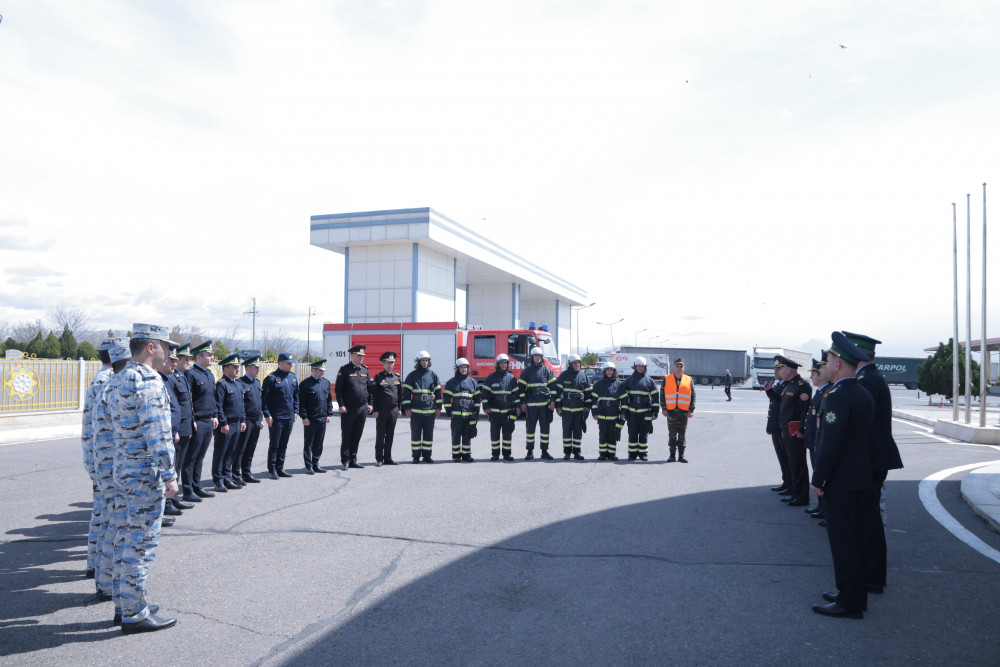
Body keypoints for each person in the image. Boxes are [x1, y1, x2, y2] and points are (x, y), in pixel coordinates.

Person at [106, 323, 179, 634]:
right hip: (143, 474)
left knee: (124, 538)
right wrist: (170, 476)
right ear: (150, 347)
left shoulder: (118, 377)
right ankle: (134, 614)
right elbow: (158, 434)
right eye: (165, 345)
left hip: (122, 470)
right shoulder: (148, 381)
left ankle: (125, 604)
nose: (169, 352)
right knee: (141, 543)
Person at [810, 332, 875, 619]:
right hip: (858, 477)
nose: (827, 365)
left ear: (838, 364)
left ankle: (850, 602)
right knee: (854, 541)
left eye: (830, 360)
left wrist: (819, 480)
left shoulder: (838, 397)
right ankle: (850, 593)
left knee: (844, 542)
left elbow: (830, 445)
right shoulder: (861, 392)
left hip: (841, 482)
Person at [842, 331, 904, 594]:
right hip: (872, 458)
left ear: (856, 353)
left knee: (868, 521)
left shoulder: (867, 380)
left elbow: (859, 425)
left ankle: (872, 576)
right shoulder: (870, 377)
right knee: (868, 519)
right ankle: (871, 574)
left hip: (869, 460)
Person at [91, 343, 132, 601]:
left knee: (109, 522)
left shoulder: (109, 383)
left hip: (106, 461)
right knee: (114, 525)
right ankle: (108, 584)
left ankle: (105, 581)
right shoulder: (111, 384)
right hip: (111, 463)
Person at [82, 335, 124, 580]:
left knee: (101, 512)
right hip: (104, 456)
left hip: (98, 454)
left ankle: (95, 563)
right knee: (105, 514)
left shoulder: (104, 377)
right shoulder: (107, 380)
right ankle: (99, 567)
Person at [775, 356, 812, 507]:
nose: (778, 372)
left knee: (798, 464)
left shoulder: (802, 386)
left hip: (795, 431)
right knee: (792, 462)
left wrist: (802, 429)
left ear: (787, 369)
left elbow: (805, 410)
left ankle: (802, 497)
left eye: (780, 369)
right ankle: (795, 493)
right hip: (786, 430)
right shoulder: (789, 385)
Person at [184, 340, 217, 501]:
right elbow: (188, 399)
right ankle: (188, 489)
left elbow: (213, 398)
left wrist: (215, 415)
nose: (212, 357)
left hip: (208, 420)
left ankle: (197, 486)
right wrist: (192, 419)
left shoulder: (209, 374)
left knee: (201, 456)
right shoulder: (191, 374)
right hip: (197, 421)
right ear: (199, 357)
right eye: (209, 355)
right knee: (191, 456)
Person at [335, 344, 372, 470]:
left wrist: (370, 403)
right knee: (347, 435)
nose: (361, 358)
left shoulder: (365, 370)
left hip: (362, 408)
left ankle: (353, 459)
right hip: (348, 408)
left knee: (357, 435)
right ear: (352, 356)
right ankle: (345, 460)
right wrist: (341, 405)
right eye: (359, 355)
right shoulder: (344, 369)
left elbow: (369, 388)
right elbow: (338, 389)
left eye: (362, 356)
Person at [262, 352, 299, 479]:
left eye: (291, 364)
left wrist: (296, 411)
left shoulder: (293, 378)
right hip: (276, 417)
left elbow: (296, 396)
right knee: (275, 444)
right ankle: (272, 469)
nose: (290, 366)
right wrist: (267, 414)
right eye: (288, 363)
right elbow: (265, 399)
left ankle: (280, 467)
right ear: (281, 363)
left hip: (289, 417)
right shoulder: (272, 378)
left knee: (284, 443)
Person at [212, 353, 246, 491]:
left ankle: (227, 477)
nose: (238, 370)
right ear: (226, 369)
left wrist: (243, 420)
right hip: (225, 425)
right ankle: (218, 480)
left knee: (231, 453)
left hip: (237, 424)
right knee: (221, 453)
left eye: (238, 367)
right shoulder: (222, 385)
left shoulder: (238, 384)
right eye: (234, 367)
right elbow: (218, 405)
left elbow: (241, 404)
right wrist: (223, 422)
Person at [517, 346, 557, 460]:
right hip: (531, 406)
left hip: (545, 406)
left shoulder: (547, 370)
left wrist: (553, 401)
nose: (537, 357)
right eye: (535, 355)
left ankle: (544, 451)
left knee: (545, 430)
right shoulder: (526, 371)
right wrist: (523, 403)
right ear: (532, 357)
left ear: (541, 357)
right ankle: (530, 452)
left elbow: (553, 387)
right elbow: (521, 388)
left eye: (539, 355)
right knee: (530, 430)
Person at [804, 354, 831, 520]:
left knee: (822, 478)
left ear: (821, 375)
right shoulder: (819, 392)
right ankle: (821, 507)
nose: (811, 377)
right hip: (814, 442)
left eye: (814, 373)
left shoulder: (827, 393)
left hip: (818, 443)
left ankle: (825, 509)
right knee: (817, 474)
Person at [403, 350, 442, 463]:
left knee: (428, 435)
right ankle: (415, 456)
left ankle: (427, 456)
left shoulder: (433, 375)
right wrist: (407, 408)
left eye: (426, 360)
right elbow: (406, 393)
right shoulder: (412, 376)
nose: (425, 363)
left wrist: (439, 407)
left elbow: (438, 393)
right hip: (416, 411)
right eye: (423, 361)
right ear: (418, 362)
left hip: (430, 411)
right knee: (415, 435)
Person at [168, 344, 195, 512]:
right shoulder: (169, 379)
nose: (180, 362)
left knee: (178, 465)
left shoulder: (180, 376)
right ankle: (168, 501)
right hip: (177, 428)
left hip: (185, 426)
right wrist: (176, 429)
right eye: (175, 359)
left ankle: (174, 497)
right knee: (173, 465)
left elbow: (187, 402)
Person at [617, 356, 659, 461]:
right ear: (635, 366)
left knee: (644, 434)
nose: (640, 368)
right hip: (632, 413)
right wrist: (623, 411)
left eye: (642, 366)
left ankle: (643, 453)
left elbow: (655, 397)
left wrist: (655, 412)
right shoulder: (629, 380)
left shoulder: (649, 381)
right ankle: (632, 454)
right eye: (638, 366)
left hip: (645, 413)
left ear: (645, 367)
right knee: (632, 433)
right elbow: (622, 394)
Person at [159, 345, 183, 520]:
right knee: (165, 473)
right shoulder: (158, 380)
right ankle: (164, 505)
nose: (174, 363)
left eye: (176, 360)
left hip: (172, 433)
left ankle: (167, 503)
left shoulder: (167, 379)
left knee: (175, 468)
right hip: (164, 436)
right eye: (171, 359)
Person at [552, 353, 592, 460]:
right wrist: (558, 406)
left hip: (579, 410)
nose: (577, 365)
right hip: (566, 410)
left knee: (578, 432)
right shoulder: (563, 375)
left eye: (578, 363)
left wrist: (588, 406)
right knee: (567, 431)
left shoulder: (584, 376)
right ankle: (567, 452)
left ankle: (577, 452)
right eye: (574, 363)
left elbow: (588, 393)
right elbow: (558, 392)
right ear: (570, 364)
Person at [481, 353, 519, 461]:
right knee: (495, 434)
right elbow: (485, 394)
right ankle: (495, 454)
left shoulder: (511, 378)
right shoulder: (491, 377)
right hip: (495, 412)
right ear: (497, 364)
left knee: (507, 434)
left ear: (508, 364)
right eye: (502, 363)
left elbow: (516, 394)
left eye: (505, 363)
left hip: (508, 412)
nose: (504, 365)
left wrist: (517, 407)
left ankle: (507, 454)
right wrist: (485, 407)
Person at [370, 351, 403, 466]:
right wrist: (375, 410)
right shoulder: (379, 377)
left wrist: (399, 408)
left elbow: (400, 394)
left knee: (390, 434)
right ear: (383, 364)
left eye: (392, 363)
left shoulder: (397, 377)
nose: (391, 365)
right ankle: (379, 458)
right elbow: (374, 395)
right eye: (388, 363)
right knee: (380, 435)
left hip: (393, 411)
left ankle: (388, 458)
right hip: (382, 411)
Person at [444, 357, 480, 462]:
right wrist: (448, 412)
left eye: (465, 367)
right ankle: (456, 455)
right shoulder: (451, 382)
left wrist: (476, 412)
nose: (464, 369)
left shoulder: (473, 382)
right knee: (456, 435)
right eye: (461, 367)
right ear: (457, 368)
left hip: (468, 414)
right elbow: (446, 398)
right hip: (456, 415)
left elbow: (477, 399)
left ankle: (466, 454)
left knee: (467, 435)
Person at [300, 359, 333, 473]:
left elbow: (329, 400)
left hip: (322, 418)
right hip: (310, 419)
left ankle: (316, 463)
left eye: (323, 370)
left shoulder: (326, 382)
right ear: (313, 370)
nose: (323, 373)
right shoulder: (305, 384)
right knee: (309, 443)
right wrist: (304, 417)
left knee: (319, 443)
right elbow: (302, 403)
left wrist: (329, 413)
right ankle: (308, 466)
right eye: (320, 370)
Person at [236, 354, 264, 483]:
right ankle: (236, 474)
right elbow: (241, 404)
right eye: (255, 367)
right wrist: (243, 420)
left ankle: (247, 472)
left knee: (251, 448)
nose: (258, 370)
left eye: (258, 367)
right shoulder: (241, 383)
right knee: (240, 449)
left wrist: (261, 418)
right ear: (248, 368)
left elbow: (259, 402)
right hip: (246, 421)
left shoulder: (257, 382)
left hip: (256, 420)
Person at [663, 358, 695, 463]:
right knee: (672, 434)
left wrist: (691, 410)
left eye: (681, 366)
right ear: (674, 367)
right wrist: (664, 408)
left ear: (684, 368)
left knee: (682, 434)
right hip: (671, 411)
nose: (679, 368)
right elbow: (662, 395)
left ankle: (681, 455)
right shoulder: (667, 378)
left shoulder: (689, 379)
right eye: (677, 366)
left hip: (683, 412)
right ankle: (672, 455)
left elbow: (693, 395)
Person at [764, 372, 790, 495]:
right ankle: (786, 482)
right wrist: (770, 426)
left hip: (782, 428)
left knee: (787, 458)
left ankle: (791, 484)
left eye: (778, 369)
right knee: (782, 458)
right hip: (776, 427)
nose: (775, 371)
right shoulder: (778, 384)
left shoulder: (788, 385)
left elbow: (781, 404)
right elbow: (773, 407)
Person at [591, 362, 624, 461]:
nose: (609, 372)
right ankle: (602, 454)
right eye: (607, 370)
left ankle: (612, 454)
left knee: (612, 436)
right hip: (602, 415)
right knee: (603, 435)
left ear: (614, 371)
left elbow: (624, 400)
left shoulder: (619, 384)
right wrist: (594, 412)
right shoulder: (598, 384)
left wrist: (623, 413)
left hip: (614, 415)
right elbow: (593, 400)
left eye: (611, 370)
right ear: (604, 372)